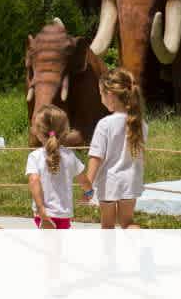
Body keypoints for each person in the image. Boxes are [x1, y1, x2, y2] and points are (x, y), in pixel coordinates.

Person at [85, 67, 147, 229]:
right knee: (128, 223)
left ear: (110, 95)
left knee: (107, 226)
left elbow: (96, 157)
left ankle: (109, 255)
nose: (100, 99)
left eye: (101, 94)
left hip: (109, 183)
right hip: (132, 181)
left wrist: (88, 186)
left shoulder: (105, 124)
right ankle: (139, 243)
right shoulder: (140, 124)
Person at [26, 105, 92, 229]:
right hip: (63, 214)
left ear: (38, 132)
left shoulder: (34, 156)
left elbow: (34, 181)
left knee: (47, 246)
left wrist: (41, 209)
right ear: (64, 132)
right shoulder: (70, 155)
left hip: (43, 215)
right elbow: (83, 180)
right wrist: (89, 192)